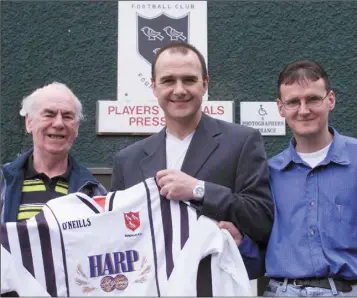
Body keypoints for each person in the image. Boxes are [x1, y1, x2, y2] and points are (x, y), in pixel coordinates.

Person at [111, 42, 274, 278]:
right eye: (168, 81)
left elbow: (262, 219)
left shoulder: (241, 142)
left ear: (205, 84)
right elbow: (118, 238)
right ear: (154, 86)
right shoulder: (128, 160)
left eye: (189, 80)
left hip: (214, 285)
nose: (179, 90)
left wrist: (199, 190)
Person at [264, 60, 357, 296]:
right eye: (293, 102)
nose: (303, 110)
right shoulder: (269, 172)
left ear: (331, 100)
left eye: (313, 99)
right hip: (282, 291)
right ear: (280, 107)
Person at [0, 82, 106, 224]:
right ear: (29, 122)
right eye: (49, 114)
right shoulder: (3, 182)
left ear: (77, 128)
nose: (58, 124)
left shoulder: (94, 191)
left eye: (68, 116)